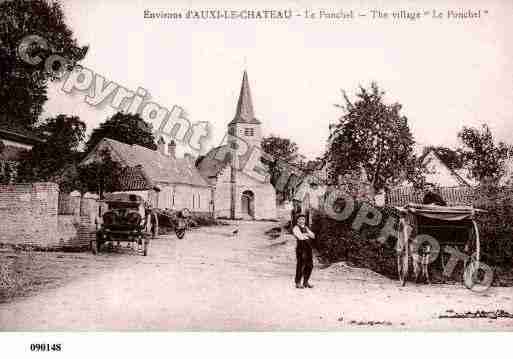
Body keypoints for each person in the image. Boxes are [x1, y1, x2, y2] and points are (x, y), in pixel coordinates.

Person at [292, 214, 315, 289]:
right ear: (297, 220)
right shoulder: (296, 228)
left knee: (310, 265)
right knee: (301, 265)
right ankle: (298, 282)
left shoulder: (306, 227)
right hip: (301, 249)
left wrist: (306, 234)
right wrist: (306, 235)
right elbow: (300, 237)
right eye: (300, 219)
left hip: (308, 248)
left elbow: (313, 236)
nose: (302, 221)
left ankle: (306, 282)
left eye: (303, 219)